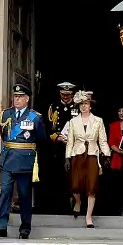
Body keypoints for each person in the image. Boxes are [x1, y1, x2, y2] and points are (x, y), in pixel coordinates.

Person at [0, 83, 45, 238]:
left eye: (20, 97)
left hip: (25, 161)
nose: (16, 99)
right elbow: (3, 136)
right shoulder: (5, 114)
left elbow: (42, 138)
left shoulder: (35, 117)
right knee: (5, 193)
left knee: (24, 195)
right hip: (8, 159)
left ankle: (25, 228)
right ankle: (1, 227)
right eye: (15, 96)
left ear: (27, 99)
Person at [65, 91, 111, 228]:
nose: (84, 106)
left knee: (91, 186)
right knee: (75, 185)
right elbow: (70, 142)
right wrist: (67, 158)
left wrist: (107, 155)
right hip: (77, 154)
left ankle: (88, 216)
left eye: (86, 104)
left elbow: (102, 140)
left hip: (92, 155)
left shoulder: (98, 121)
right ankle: (78, 201)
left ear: (90, 105)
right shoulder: (73, 121)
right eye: (81, 104)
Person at [41, 82, 77, 213]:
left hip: (74, 148)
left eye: (68, 94)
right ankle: (57, 206)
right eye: (63, 94)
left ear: (72, 94)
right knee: (56, 177)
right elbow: (48, 127)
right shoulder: (53, 107)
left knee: (73, 177)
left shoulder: (78, 107)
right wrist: (56, 137)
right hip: (57, 149)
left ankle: (74, 205)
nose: (66, 97)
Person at [108, 107, 123, 216]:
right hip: (117, 159)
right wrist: (118, 151)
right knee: (116, 187)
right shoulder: (113, 126)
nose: (121, 113)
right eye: (119, 111)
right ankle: (115, 211)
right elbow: (111, 142)